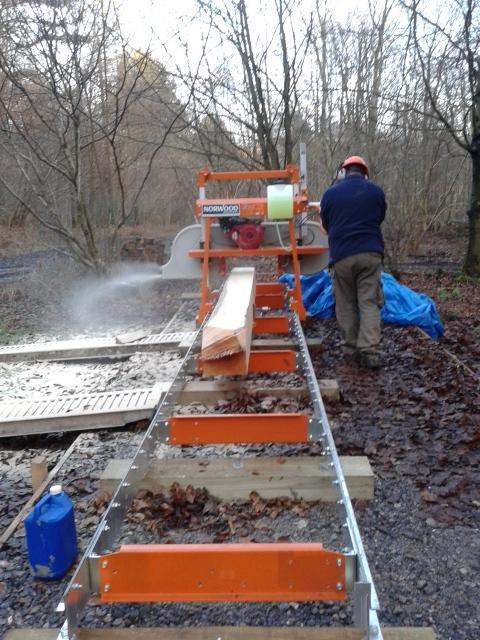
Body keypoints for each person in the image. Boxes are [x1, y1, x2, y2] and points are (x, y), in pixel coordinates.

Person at [320, 155, 386, 369]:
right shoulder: (376, 192)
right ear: (365, 172)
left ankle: (350, 348)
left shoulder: (330, 194)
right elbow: (379, 218)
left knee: (345, 302)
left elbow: (326, 225)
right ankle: (370, 352)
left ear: (343, 172)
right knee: (368, 302)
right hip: (370, 254)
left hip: (342, 256)